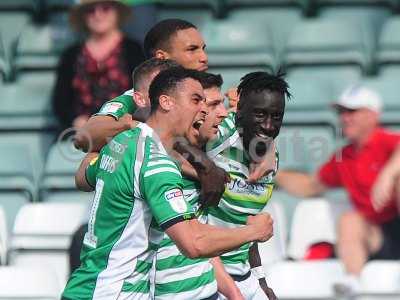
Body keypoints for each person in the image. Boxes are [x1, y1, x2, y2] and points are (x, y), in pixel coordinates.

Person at [63, 66, 273, 300]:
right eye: (196, 100)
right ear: (165, 102)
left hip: (86, 286)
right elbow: (194, 243)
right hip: (114, 293)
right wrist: (253, 231)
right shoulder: (157, 164)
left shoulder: (122, 143)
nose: (203, 109)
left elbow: (83, 175)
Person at [276, 85, 400, 289]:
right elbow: (311, 186)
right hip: (377, 234)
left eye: (352, 111)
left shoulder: (386, 141)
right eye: (341, 112)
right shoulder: (344, 156)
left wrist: (388, 174)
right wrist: (274, 173)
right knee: (349, 220)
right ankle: (352, 281)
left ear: (372, 114)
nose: (344, 118)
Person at [202, 71, 290, 299]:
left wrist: (260, 280)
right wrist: (207, 167)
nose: (269, 126)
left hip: (245, 278)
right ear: (239, 109)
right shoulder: (219, 135)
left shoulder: (272, 154)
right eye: (259, 114)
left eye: (277, 116)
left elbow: (248, 226)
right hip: (207, 277)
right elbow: (169, 140)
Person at [74, 18, 208, 151]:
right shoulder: (141, 95)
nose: (204, 58)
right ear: (161, 57)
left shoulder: (213, 92)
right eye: (192, 49)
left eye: (203, 49)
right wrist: (135, 126)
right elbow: (83, 138)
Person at [52, 0, 145, 131]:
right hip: (82, 132)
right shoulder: (71, 54)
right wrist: (75, 120)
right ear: (84, 16)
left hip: (125, 130)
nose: (98, 15)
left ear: (116, 12)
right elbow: (60, 101)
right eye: (91, 10)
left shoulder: (134, 50)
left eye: (105, 8)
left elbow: (143, 93)